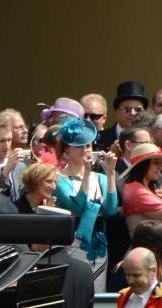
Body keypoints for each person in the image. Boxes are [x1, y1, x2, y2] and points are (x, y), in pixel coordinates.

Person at [52, 117, 119, 263]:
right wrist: (87, 173)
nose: (85, 150)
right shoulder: (59, 180)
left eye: (88, 145)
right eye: (79, 146)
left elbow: (111, 209)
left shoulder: (101, 178)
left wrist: (110, 173)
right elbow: (78, 206)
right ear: (65, 152)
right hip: (72, 246)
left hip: (100, 246)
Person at [120, 143, 162, 235]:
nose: (160, 167)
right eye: (155, 162)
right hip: (148, 247)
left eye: (161, 162)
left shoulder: (142, 187)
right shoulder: (136, 190)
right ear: (143, 165)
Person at [98, 81, 149, 152]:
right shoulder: (99, 138)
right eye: (127, 109)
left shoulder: (151, 139)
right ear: (117, 111)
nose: (133, 113)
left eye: (138, 109)